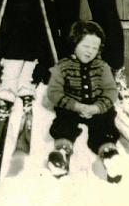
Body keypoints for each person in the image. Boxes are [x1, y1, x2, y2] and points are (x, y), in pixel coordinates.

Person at [47, 20, 121, 183]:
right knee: (63, 123)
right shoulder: (62, 66)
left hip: (96, 107)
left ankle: (108, 153)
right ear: (75, 43)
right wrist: (75, 105)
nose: (90, 51)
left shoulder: (103, 67)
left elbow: (111, 91)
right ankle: (62, 152)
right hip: (72, 107)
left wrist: (97, 108)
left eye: (95, 48)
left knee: (105, 124)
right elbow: (53, 92)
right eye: (86, 46)